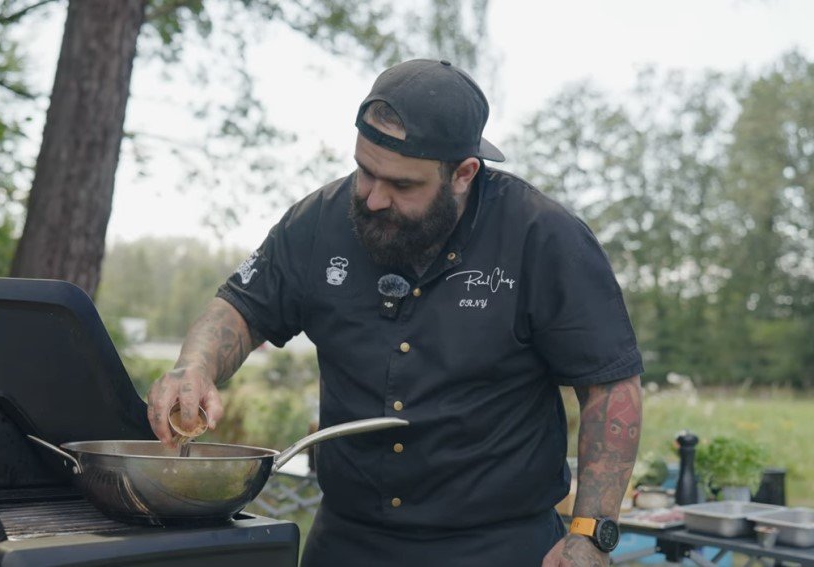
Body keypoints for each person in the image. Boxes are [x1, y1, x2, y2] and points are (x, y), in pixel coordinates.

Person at [147, 59, 643, 567]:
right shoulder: (319, 219)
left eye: (403, 186)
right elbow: (241, 306)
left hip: (497, 544)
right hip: (348, 539)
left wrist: (589, 532)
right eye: (365, 171)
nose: (374, 198)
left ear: (464, 174)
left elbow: (609, 387)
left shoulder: (542, 235)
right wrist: (195, 365)